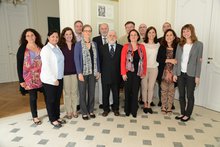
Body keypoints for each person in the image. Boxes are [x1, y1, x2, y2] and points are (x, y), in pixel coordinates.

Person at [173, 24, 203, 122]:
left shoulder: (199, 44)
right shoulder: (180, 44)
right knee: (181, 95)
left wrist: (197, 76)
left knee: (190, 95)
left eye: (188, 31)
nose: (185, 33)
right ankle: (182, 112)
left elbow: (199, 62)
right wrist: (174, 73)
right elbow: (177, 60)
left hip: (191, 74)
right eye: (184, 31)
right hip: (180, 73)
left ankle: (188, 114)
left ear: (192, 32)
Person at [17, 28, 45, 125]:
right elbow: (19, 65)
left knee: (47, 95)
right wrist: (21, 80)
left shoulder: (41, 47)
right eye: (27, 35)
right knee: (33, 97)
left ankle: (51, 112)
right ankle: (35, 116)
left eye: (32, 35)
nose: (30, 37)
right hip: (29, 77)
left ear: (35, 36)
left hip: (42, 75)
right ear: (25, 38)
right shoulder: (22, 48)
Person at [74, 25, 100, 120]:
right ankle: (84, 112)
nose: (88, 32)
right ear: (83, 32)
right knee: (82, 93)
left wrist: (98, 71)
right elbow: (76, 59)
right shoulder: (78, 44)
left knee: (92, 92)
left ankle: (91, 110)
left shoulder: (94, 44)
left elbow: (97, 58)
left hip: (93, 72)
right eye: (86, 31)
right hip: (83, 73)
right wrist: (79, 73)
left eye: (89, 31)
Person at [40, 30, 65, 128]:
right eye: (53, 36)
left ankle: (57, 116)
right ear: (48, 37)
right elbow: (46, 66)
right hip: (50, 80)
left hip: (59, 77)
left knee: (57, 99)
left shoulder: (57, 48)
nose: (55, 38)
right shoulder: (45, 49)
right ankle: (52, 119)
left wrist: (59, 77)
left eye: (57, 37)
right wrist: (53, 79)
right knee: (51, 100)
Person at [121, 29, 147, 118]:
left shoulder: (142, 47)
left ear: (138, 36)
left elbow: (144, 60)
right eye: (131, 35)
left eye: (135, 35)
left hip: (138, 73)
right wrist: (123, 73)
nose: (133, 36)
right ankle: (127, 110)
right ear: (129, 37)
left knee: (135, 92)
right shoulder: (125, 47)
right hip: (128, 73)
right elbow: (122, 61)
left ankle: (134, 110)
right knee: (127, 92)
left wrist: (144, 72)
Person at [99, 30, 123, 117]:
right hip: (105, 75)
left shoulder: (121, 48)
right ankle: (106, 109)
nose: (112, 37)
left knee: (116, 94)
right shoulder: (102, 48)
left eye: (113, 35)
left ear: (116, 37)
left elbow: (122, 62)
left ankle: (116, 109)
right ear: (107, 38)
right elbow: (100, 62)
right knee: (105, 93)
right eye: (110, 35)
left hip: (117, 76)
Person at [157, 29, 178, 115]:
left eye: (171, 35)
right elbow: (159, 59)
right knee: (164, 91)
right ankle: (163, 106)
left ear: (174, 37)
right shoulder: (162, 47)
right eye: (167, 35)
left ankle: (169, 107)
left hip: (173, 72)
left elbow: (179, 60)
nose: (169, 37)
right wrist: (170, 60)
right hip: (164, 72)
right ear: (165, 37)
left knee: (171, 91)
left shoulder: (178, 47)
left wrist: (174, 61)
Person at [92, 23, 113, 109]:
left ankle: (111, 102)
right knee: (101, 85)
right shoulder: (95, 39)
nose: (104, 30)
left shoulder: (112, 37)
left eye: (105, 28)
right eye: (102, 28)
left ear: (108, 29)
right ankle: (102, 102)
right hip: (100, 66)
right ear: (99, 30)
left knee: (111, 85)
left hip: (110, 67)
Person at [59, 27, 78, 119]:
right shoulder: (60, 46)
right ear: (63, 36)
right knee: (67, 93)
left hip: (75, 73)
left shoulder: (76, 45)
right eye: (66, 34)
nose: (69, 36)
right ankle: (68, 111)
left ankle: (74, 110)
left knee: (74, 92)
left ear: (72, 35)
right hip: (65, 73)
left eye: (70, 34)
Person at [141, 26, 160, 114]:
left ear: (155, 34)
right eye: (149, 32)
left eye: (153, 32)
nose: (151, 34)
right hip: (144, 68)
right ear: (147, 34)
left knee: (151, 87)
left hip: (154, 68)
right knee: (144, 87)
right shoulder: (143, 44)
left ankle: (149, 104)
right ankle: (145, 103)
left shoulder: (158, 45)